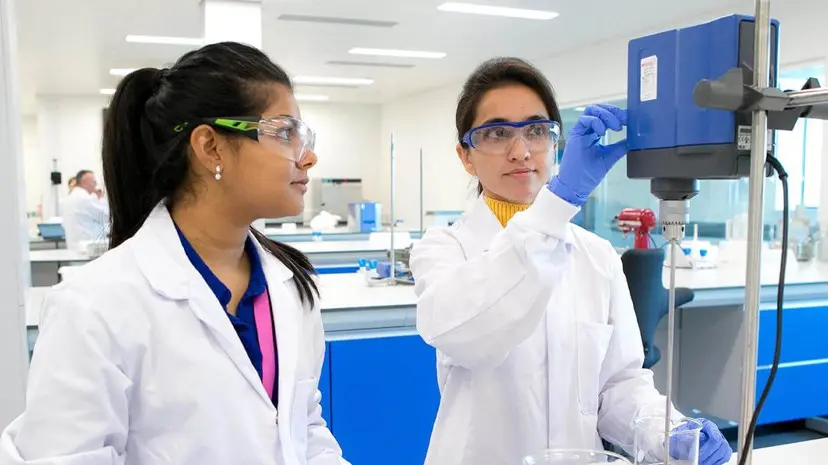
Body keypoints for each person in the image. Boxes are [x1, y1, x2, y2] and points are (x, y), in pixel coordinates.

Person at [0, 42, 348, 465]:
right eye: (284, 133)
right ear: (210, 146)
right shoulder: (94, 306)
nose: (308, 157)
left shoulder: (289, 285)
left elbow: (304, 428)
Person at [409, 57, 732, 465]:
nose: (521, 151)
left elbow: (618, 386)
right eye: (496, 133)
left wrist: (667, 432)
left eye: (536, 131)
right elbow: (473, 339)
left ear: (555, 143)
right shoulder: (443, 250)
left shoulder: (597, 255)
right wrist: (559, 201)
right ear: (466, 156)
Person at [61, 169, 110, 250]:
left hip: (74, 245)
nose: (95, 184)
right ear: (84, 182)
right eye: (93, 181)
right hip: (88, 246)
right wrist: (101, 198)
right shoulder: (85, 199)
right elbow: (106, 216)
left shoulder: (69, 198)